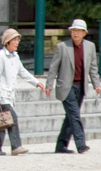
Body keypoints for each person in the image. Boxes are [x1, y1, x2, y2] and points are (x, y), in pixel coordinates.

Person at [45, 19, 101, 154]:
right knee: (75, 115)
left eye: (78, 31)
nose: (75, 33)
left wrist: (96, 84)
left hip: (81, 86)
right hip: (66, 87)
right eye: (73, 30)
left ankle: (61, 145)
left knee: (70, 116)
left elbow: (93, 67)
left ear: (84, 33)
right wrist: (49, 84)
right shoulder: (62, 47)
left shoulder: (90, 47)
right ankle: (81, 144)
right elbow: (53, 67)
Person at [0, 28, 47, 156]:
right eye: (14, 40)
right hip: (2, 94)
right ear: (7, 41)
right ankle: (16, 146)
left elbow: (22, 72)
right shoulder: (0, 56)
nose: (17, 42)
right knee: (12, 118)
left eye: (17, 39)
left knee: (3, 122)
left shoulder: (15, 56)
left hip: (10, 94)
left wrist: (36, 82)